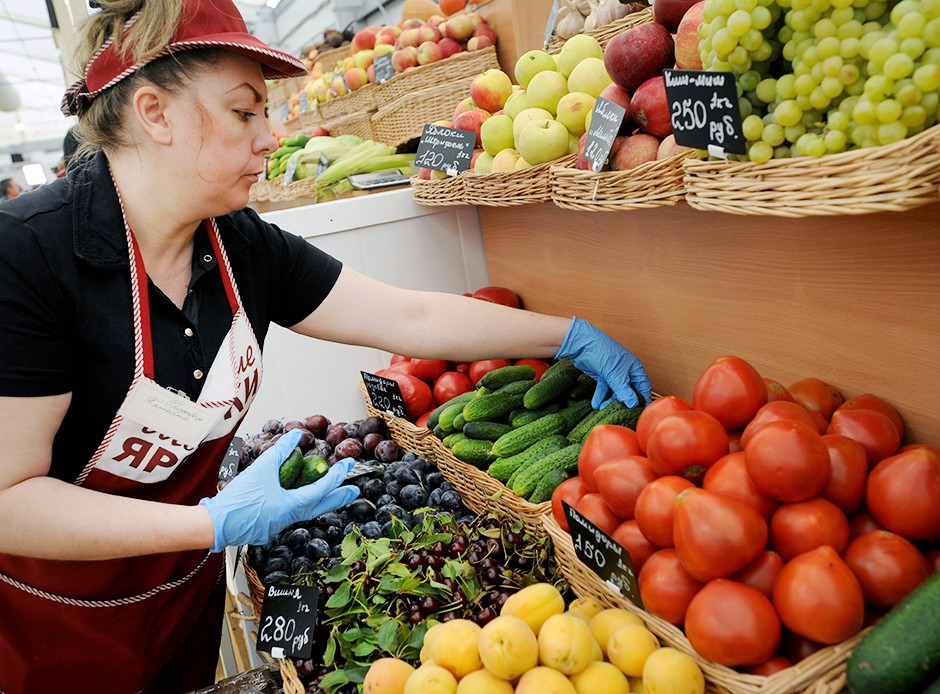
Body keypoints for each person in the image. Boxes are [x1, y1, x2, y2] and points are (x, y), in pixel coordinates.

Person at [0, 1, 650, 691]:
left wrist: (567, 336)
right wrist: (211, 522)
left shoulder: (238, 245)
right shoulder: (31, 256)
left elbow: (410, 319)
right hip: (55, 630)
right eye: (244, 112)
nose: (269, 137)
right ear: (155, 113)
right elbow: (9, 500)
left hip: (183, 605)